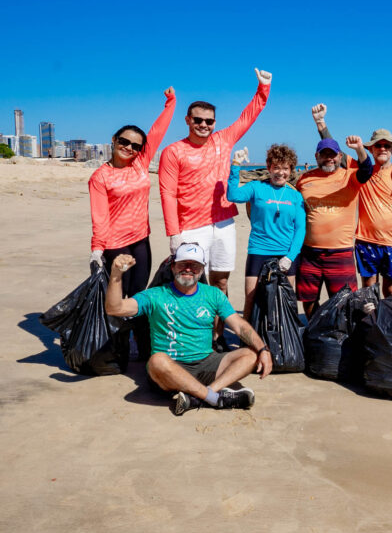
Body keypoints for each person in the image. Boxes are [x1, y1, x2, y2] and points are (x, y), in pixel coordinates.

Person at [158, 69, 272, 346]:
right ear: (188, 120)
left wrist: (263, 88)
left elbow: (248, 116)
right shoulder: (173, 151)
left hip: (223, 224)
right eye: (198, 120)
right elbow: (167, 193)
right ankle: (192, 337)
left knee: (221, 282)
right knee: (190, 284)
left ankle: (217, 336)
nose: (203, 125)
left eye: (208, 121)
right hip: (190, 227)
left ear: (214, 123)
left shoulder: (223, 140)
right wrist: (173, 233)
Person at [104, 244, 273, 416]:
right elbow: (114, 308)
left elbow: (239, 325)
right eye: (183, 264)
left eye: (194, 265)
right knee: (156, 361)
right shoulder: (155, 295)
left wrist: (263, 349)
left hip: (206, 363)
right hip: (170, 368)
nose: (188, 269)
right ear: (173, 267)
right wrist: (116, 274)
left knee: (251, 354)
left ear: (202, 270)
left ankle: (198, 396)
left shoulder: (213, 294)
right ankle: (214, 398)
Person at [88, 86, 177, 356]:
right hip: (115, 245)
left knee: (139, 296)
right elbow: (99, 216)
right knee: (117, 296)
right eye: (124, 142)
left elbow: (158, 131)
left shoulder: (140, 163)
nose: (129, 148)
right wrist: (97, 249)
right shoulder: (100, 177)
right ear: (114, 140)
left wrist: (171, 103)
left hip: (140, 241)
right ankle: (118, 349)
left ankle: (143, 346)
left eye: (136, 146)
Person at [295, 104, 373, 317]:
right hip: (309, 252)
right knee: (308, 299)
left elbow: (367, 169)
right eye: (324, 155)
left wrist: (359, 149)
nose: (329, 158)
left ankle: (340, 333)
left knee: (344, 301)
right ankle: (315, 328)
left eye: (333, 155)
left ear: (340, 157)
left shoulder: (350, 177)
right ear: (317, 156)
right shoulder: (304, 179)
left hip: (341, 252)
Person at [226, 144, 306, 320]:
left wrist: (290, 257)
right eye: (276, 167)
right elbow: (233, 196)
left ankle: (283, 335)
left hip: (286, 253)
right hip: (259, 250)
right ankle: (247, 335)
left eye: (285, 168)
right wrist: (235, 165)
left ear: (291, 170)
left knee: (285, 300)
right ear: (269, 167)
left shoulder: (295, 195)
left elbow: (300, 229)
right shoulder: (256, 187)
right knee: (251, 298)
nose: (280, 172)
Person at [351, 128, 392, 295]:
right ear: (371, 149)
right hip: (366, 241)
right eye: (378, 145)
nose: (383, 149)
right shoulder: (363, 171)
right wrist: (321, 124)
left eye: (387, 146)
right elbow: (336, 155)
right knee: (369, 293)